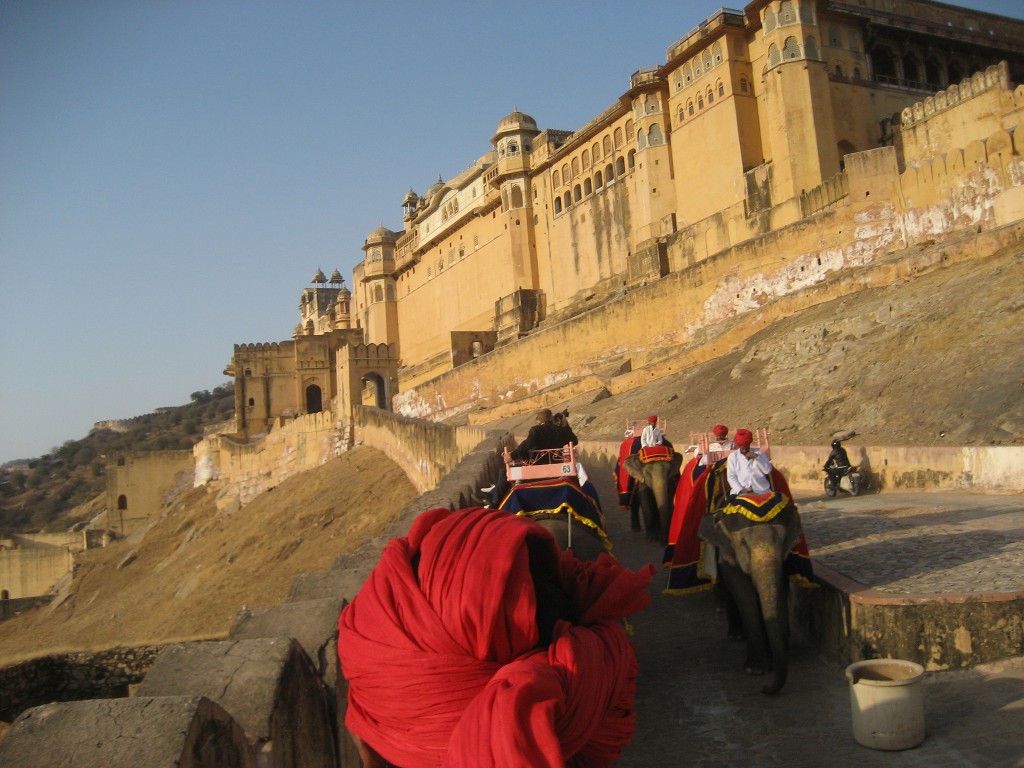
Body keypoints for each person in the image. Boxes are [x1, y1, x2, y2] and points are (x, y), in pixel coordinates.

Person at [726, 428, 773, 497]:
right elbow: (731, 477)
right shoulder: (733, 457)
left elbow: (767, 471)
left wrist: (757, 458)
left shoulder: (759, 454)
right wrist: (741, 489)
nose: (744, 449)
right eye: (742, 447)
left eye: (746, 446)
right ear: (738, 445)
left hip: (762, 491)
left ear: (749, 444)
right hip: (741, 492)